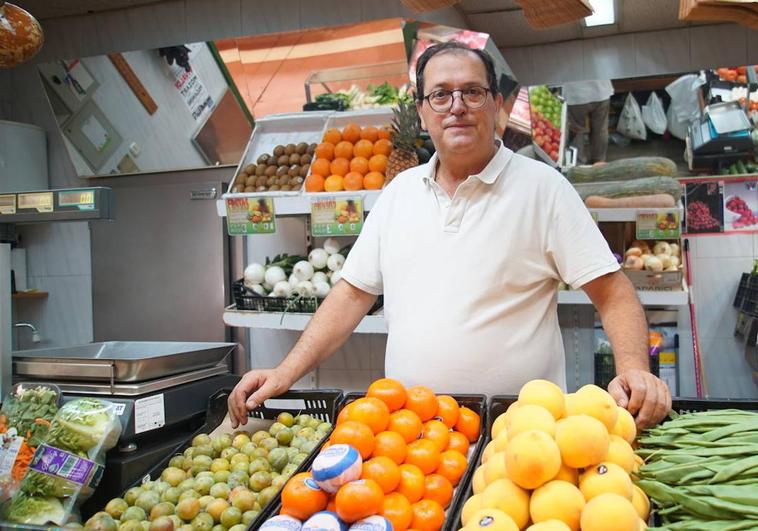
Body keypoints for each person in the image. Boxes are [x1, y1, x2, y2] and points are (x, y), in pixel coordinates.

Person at [228, 42, 671, 430]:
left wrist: (633, 369)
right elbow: (350, 295)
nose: (456, 105)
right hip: (413, 429)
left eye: (472, 92)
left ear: (496, 104)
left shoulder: (544, 188)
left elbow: (613, 291)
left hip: (520, 428)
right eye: (440, 95)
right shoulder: (398, 194)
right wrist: (285, 371)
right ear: (422, 111)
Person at [563, 79, 614, 164]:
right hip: (601, 90)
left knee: (577, 130)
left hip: (576, 93)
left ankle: (578, 161)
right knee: (600, 129)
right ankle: (599, 161)